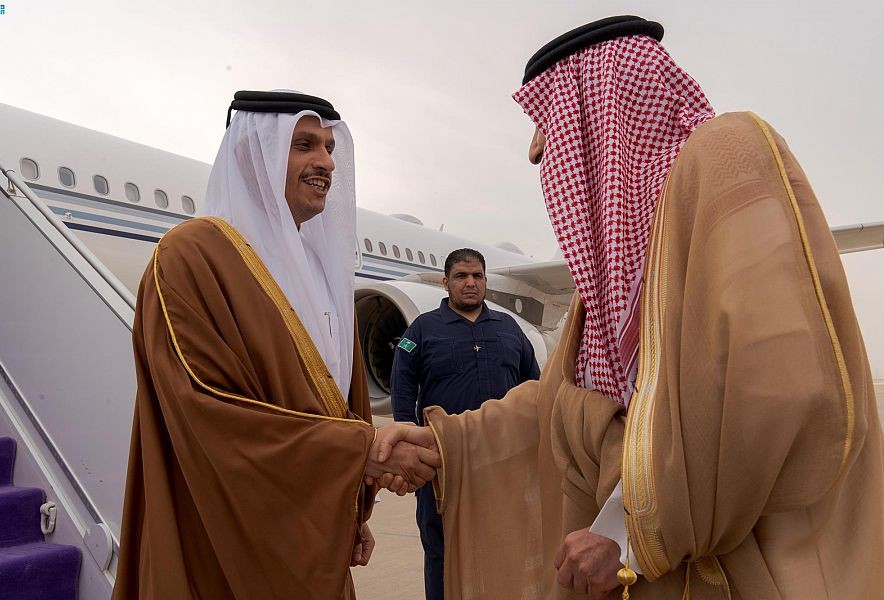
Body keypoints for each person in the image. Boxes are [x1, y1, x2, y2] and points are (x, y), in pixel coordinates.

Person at [379, 16, 884, 599]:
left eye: (550, 120)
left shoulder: (727, 157)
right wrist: (450, 442)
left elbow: (781, 390)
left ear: (603, 110)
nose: (538, 149)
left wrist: (630, 535)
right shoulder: (608, 287)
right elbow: (567, 405)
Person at [112, 90, 439, 600]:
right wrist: (362, 454)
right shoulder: (189, 256)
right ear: (254, 155)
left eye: (329, 147)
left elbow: (337, 404)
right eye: (304, 145)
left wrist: (350, 506)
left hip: (309, 531)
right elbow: (205, 409)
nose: (326, 162)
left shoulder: (319, 270)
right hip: (222, 537)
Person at [390, 247, 540, 600]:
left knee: (506, 544)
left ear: (485, 281)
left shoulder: (509, 328)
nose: (470, 283)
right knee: (441, 549)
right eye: (461, 276)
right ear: (446, 283)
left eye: (477, 276)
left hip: (502, 461)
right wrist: (408, 439)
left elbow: (534, 387)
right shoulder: (421, 330)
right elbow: (402, 386)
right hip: (444, 461)